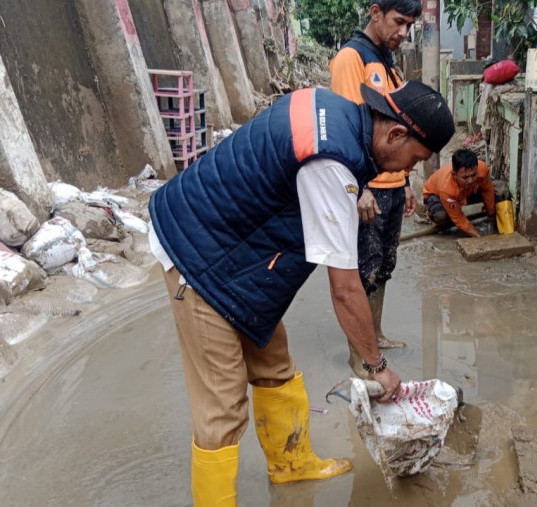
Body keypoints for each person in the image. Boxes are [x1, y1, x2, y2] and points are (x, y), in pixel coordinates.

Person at [148, 80, 454, 506]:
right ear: (395, 134)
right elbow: (346, 289)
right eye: (414, 159)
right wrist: (376, 366)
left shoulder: (338, 118)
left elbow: (306, 163)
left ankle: (290, 464)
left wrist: (357, 186)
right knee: (222, 405)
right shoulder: (333, 164)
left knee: (274, 363)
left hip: (237, 249)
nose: (407, 170)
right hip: (197, 256)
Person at [329, 0, 424, 376]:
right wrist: (358, 187)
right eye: (399, 22)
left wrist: (407, 181)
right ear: (375, 12)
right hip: (367, 188)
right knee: (362, 271)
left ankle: (376, 333)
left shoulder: (389, 64)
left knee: (384, 267)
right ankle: (359, 356)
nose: (403, 32)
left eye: (409, 26)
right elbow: (343, 128)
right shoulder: (351, 59)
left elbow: (400, 132)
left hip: (393, 186)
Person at [422, 148, 500, 237]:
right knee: (440, 216)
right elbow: (459, 219)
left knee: (499, 190)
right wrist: (479, 236)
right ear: (454, 174)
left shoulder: (482, 169)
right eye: (465, 177)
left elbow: (488, 192)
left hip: (465, 192)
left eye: (474, 175)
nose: (470, 180)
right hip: (436, 195)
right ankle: (430, 212)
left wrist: (491, 215)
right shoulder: (446, 188)